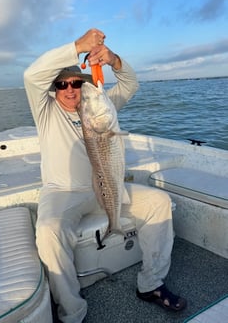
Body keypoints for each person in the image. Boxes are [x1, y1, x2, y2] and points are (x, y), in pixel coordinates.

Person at [24, 28, 186, 323]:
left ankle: (150, 283)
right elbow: (31, 75)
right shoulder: (45, 111)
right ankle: (72, 311)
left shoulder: (100, 107)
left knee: (159, 203)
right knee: (48, 232)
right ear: (54, 89)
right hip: (63, 192)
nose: (71, 89)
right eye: (62, 85)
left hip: (108, 185)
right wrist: (76, 46)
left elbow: (130, 83)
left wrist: (113, 60)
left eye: (76, 82)